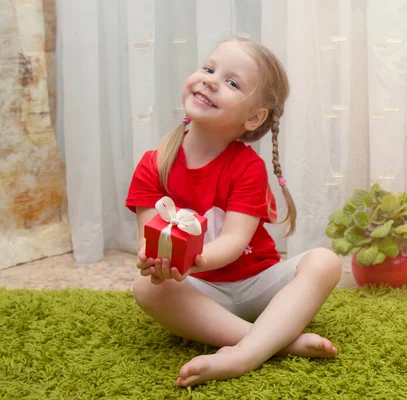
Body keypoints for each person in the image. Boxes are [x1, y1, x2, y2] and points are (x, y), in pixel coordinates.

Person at [125, 37, 342, 388]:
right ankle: (275, 340)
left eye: (231, 82)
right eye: (209, 69)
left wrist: (190, 259)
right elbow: (148, 240)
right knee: (146, 288)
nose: (210, 80)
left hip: (257, 287)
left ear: (254, 117)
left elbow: (233, 241)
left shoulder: (246, 167)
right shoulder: (154, 164)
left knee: (325, 261)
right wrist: (155, 261)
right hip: (199, 295)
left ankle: (246, 354)